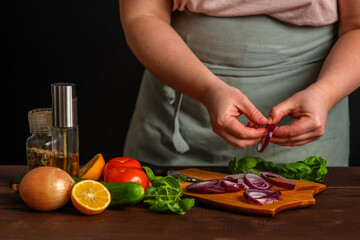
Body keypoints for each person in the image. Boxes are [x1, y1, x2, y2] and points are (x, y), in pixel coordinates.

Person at [119, 0, 360, 166]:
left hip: (306, 136)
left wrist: (325, 93)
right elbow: (142, 15)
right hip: (180, 127)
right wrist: (207, 89)